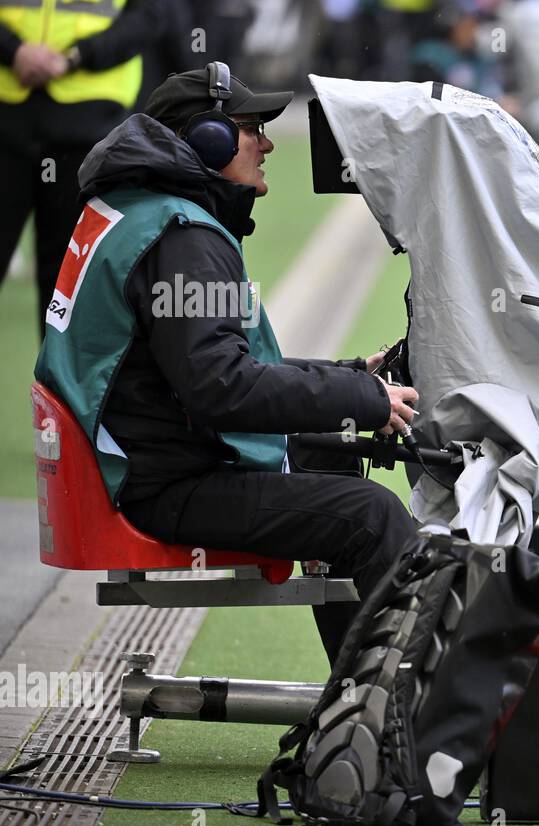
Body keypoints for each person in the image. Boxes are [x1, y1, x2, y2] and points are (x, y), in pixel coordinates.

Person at [33, 65, 422, 665]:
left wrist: (348, 377)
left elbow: (198, 368)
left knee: (331, 449)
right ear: (205, 142)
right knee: (372, 518)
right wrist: (362, 397)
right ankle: (395, 717)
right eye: (250, 129)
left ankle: (356, 698)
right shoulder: (185, 237)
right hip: (167, 484)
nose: (267, 143)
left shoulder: (139, 208)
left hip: (147, 456)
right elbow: (222, 390)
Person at [1, 0, 164, 339]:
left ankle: (56, 392)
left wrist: (77, 57)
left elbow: (150, 16)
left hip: (87, 129)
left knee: (67, 297)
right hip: (7, 117)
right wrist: (13, 50)